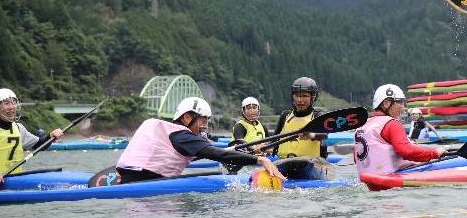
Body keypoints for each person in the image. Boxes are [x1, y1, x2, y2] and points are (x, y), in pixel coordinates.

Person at [116, 97, 285, 183]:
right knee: (216, 175)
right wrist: (259, 160)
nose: (205, 125)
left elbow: (200, 153)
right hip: (145, 181)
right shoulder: (182, 135)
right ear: (188, 116)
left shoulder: (167, 129)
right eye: (203, 119)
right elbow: (216, 154)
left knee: (214, 172)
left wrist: (235, 152)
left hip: (127, 173)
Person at [0, 88, 64, 185]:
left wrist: (51, 136)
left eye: (13, 102)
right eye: (6, 103)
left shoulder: (19, 128)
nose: (11, 107)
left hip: (15, 184)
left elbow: (40, 145)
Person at [354, 84, 446, 176]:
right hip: (390, 178)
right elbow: (405, 151)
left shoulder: (361, 126)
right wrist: (435, 153)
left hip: (366, 178)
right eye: (400, 102)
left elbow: (356, 158)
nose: (403, 107)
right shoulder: (392, 123)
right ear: (386, 103)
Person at [272, 77, 328, 159]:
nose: (299, 100)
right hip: (284, 162)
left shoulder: (318, 116)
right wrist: (263, 147)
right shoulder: (285, 115)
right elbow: (274, 139)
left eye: (304, 96)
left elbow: (324, 135)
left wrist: (311, 135)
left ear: (313, 97)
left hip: (312, 164)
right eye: (297, 95)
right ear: (293, 96)